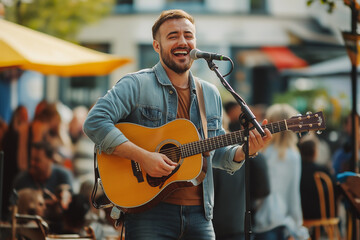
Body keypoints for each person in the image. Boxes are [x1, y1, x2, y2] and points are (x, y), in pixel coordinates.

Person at [83, 9, 272, 240]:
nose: (182, 41)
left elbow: (218, 154)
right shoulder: (136, 84)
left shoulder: (210, 93)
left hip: (201, 215)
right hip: (149, 214)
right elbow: (94, 122)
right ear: (156, 46)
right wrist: (143, 157)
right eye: (172, 36)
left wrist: (245, 151)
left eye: (188, 35)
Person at [212, 102, 270, 240]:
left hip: (210, 227)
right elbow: (263, 190)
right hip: (238, 226)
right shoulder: (249, 153)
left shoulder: (204, 156)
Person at [252, 103, 309, 240]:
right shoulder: (293, 155)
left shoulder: (261, 153)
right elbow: (293, 194)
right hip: (283, 221)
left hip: (259, 220)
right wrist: (298, 226)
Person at [298, 134, 337, 220]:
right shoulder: (322, 171)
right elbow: (335, 188)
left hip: (301, 214)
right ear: (315, 152)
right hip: (322, 215)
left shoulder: (297, 170)